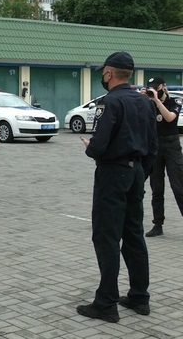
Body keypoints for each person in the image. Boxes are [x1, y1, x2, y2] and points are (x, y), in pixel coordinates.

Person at [77, 52, 158, 323]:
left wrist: (92, 150)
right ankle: (139, 296)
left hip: (113, 174)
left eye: (104, 72)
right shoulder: (144, 102)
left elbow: (99, 145)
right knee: (134, 235)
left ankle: (106, 303)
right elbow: (153, 146)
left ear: (109, 74)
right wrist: (140, 173)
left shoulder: (110, 102)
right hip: (136, 173)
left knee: (106, 236)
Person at [141, 76, 183, 237]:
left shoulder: (175, 102)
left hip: (172, 147)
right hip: (155, 146)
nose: (154, 90)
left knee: (178, 187)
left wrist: (158, 101)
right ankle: (158, 224)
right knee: (156, 189)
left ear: (163, 86)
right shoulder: (149, 104)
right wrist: (143, 99)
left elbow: (170, 118)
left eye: (156, 87)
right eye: (152, 88)